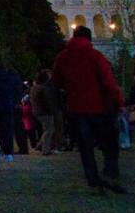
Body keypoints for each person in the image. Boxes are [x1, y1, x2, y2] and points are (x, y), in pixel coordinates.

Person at [51, 26, 125, 194]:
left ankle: (93, 180)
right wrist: (119, 102)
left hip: (76, 108)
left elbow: (56, 81)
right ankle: (109, 173)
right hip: (98, 106)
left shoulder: (62, 57)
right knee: (109, 142)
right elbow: (109, 81)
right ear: (89, 38)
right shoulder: (95, 55)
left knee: (85, 147)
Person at [30, 70, 57, 155]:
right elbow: (47, 102)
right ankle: (45, 149)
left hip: (37, 111)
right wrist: (52, 110)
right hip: (45, 112)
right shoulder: (43, 88)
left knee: (47, 130)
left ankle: (40, 146)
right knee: (48, 130)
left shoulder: (34, 88)